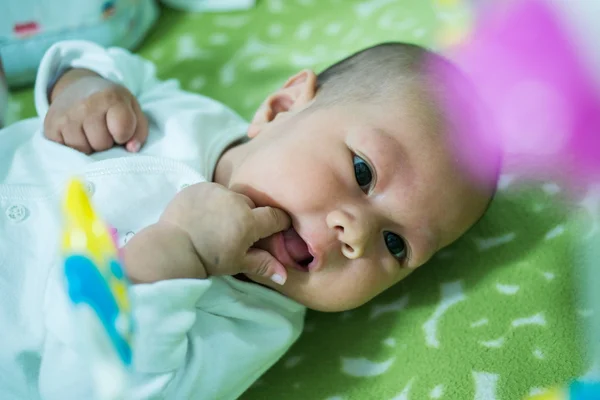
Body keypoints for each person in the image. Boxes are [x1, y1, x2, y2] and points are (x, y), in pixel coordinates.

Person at [0, 40, 497, 399]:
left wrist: (179, 254)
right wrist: (82, 85)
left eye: (396, 245)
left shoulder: (251, 324)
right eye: (362, 172)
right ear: (282, 107)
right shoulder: (189, 115)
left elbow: (97, 388)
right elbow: (112, 62)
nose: (359, 236)